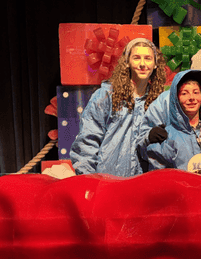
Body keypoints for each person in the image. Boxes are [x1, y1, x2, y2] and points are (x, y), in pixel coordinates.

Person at [70, 38, 167, 176]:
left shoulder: (159, 102)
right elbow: (87, 141)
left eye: (148, 58)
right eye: (136, 58)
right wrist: (89, 179)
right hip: (109, 180)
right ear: (127, 62)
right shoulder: (107, 95)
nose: (142, 64)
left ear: (155, 64)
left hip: (144, 182)